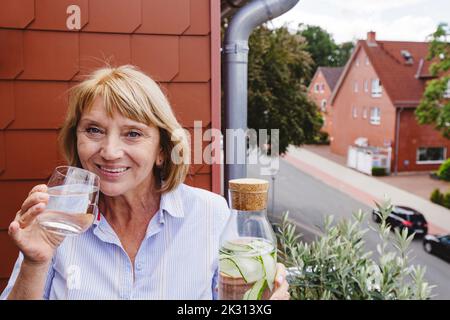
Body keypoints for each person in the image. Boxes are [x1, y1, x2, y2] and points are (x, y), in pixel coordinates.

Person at [1, 65, 290, 300]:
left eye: (133, 134)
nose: (110, 152)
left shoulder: (210, 215)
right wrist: (34, 263)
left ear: (162, 151)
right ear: (76, 140)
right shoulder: (58, 215)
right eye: (94, 130)